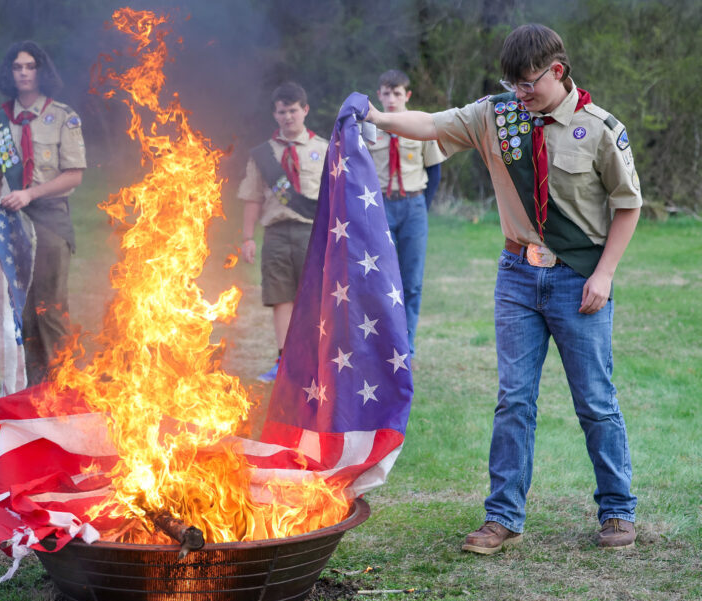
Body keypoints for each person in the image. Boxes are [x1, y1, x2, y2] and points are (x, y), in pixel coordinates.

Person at [366, 24, 642, 553]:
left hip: (577, 279)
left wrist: (604, 274)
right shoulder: (498, 115)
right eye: (512, 83)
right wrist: (376, 117)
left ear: (556, 72)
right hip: (516, 276)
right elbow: (428, 123)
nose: (520, 93)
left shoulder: (601, 128)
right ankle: (503, 517)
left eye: (528, 83)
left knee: (596, 401)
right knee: (513, 400)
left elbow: (627, 206)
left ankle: (617, 512)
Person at [0, 40, 86, 388]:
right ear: (9, 73)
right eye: (17, 67)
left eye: (30, 66)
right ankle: (36, 390)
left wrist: (30, 194)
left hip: (50, 217)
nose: (24, 73)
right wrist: (0, 206)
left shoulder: (62, 116)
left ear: (41, 71)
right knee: (22, 309)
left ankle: (65, 386)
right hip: (14, 223)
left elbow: (74, 174)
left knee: (50, 306)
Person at [237, 81, 328, 382]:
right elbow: (253, 197)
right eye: (282, 112)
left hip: (312, 233)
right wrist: (248, 237)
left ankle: (314, 361)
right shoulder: (264, 154)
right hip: (275, 233)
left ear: (305, 110)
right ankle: (284, 361)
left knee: (313, 299)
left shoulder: (325, 149)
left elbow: (336, 196)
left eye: (293, 110)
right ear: (274, 115)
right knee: (280, 297)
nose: (288, 117)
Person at [366, 70, 446, 358]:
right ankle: (380, 344)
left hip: (413, 206)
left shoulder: (419, 124)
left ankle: (405, 349)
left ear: (407, 95)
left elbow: (434, 170)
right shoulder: (370, 127)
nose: (391, 99)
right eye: (386, 93)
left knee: (411, 282)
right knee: (381, 279)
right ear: (378, 95)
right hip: (381, 207)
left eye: (397, 93)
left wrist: (422, 206)